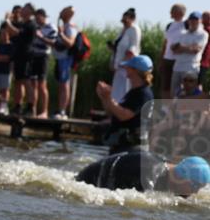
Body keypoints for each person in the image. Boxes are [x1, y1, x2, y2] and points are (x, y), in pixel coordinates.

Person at [76, 151, 209, 196]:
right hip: (89, 178)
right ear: (182, 176)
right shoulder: (151, 174)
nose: (196, 192)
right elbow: (143, 201)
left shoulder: (174, 174)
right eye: (194, 186)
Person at [96, 54, 155, 154]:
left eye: (128, 67)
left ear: (135, 70)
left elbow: (124, 115)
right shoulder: (133, 92)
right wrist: (104, 97)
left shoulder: (143, 94)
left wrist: (108, 98)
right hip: (122, 145)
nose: (125, 69)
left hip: (131, 147)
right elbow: (112, 113)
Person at [4, 2, 38, 115]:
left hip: (26, 55)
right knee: (18, 81)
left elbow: (16, 32)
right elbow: (11, 33)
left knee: (26, 81)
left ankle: (30, 107)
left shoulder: (31, 24)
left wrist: (7, 21)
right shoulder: (23, 23)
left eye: (24, 9)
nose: (21, 10)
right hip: (18, 55)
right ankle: (17, 106)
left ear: (29, 11)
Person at [168, 11, 208, 97]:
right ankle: (173, 109)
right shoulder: (183, 33)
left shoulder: (203, 34)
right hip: (178, 66)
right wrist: (189, 47)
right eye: (191, 19)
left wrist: (181, 47)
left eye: (195, 19)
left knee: (190, 91)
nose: (193, 21)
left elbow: (196, 49)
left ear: (200, 21)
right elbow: (173, 49)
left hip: (191, 66)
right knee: (174, 91)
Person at [27, 8, 57, 117]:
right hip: (33, 57)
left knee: (42, 85)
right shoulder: (35, 26)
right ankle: (33, 110)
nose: (36, 19)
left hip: (43, 57)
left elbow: (53, 43)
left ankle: (44, 111)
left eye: (38, 17)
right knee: (33, 84)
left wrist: (41, 37)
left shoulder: (51, 27)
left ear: (43, 17)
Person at [109, 7, 141, 103]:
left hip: (127, 65)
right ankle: (115, 108)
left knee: (125, 88)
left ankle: (124, 107)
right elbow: (118, 47)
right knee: (117, 89)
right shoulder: (123, 30)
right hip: (119, 65)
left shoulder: (134, 29)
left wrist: (126, 62)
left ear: (131, 19)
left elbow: (133, 47)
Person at [52, 6, 78, 118]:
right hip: (60, 59)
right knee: (61, 85)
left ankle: (63, 111)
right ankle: (60, 109)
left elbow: (70, 43)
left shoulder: (70, 27)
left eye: (63, 12)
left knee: (65, 84)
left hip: (66, 59)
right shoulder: (65, 26)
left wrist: (61, 34)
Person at [158, 4, 187, 100]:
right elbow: (165, 43)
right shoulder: (170, 25)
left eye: (172, 10)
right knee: (165, 85)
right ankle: (165, 109)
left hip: (179, 60)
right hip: (167, 59)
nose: (170, 13)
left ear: (180, 12)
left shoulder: (186, 24)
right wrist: (161, 59)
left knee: (178, 86)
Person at [0, 25, 14, 115]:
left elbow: (9, 58)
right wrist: (1, 58)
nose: (3, 36)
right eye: (2, 34)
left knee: (5, 89)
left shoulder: (11, 46)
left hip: (6, 71)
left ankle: (3, 107)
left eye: (5, 34)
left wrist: (0, 58)